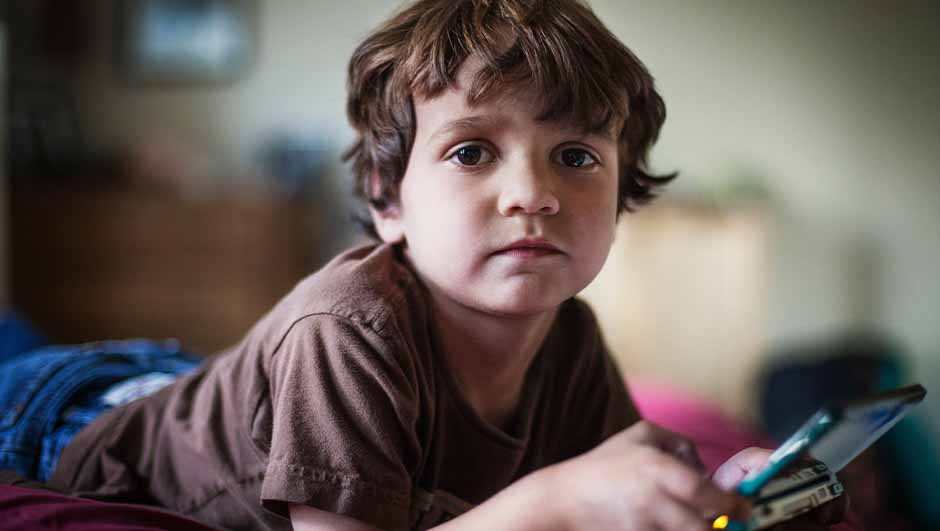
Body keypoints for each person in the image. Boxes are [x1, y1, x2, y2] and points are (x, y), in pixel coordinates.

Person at [12, 1, 848, 530]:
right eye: (471, 150)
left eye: (576, 156)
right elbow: (569, 500)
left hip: (208, 388)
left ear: (623, 192)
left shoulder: (570, 337)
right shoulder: (348, 330)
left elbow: (619, 490)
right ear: (388, 201)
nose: (532, 194)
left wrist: (728, 494)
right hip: (69, 413)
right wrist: (551, 501)